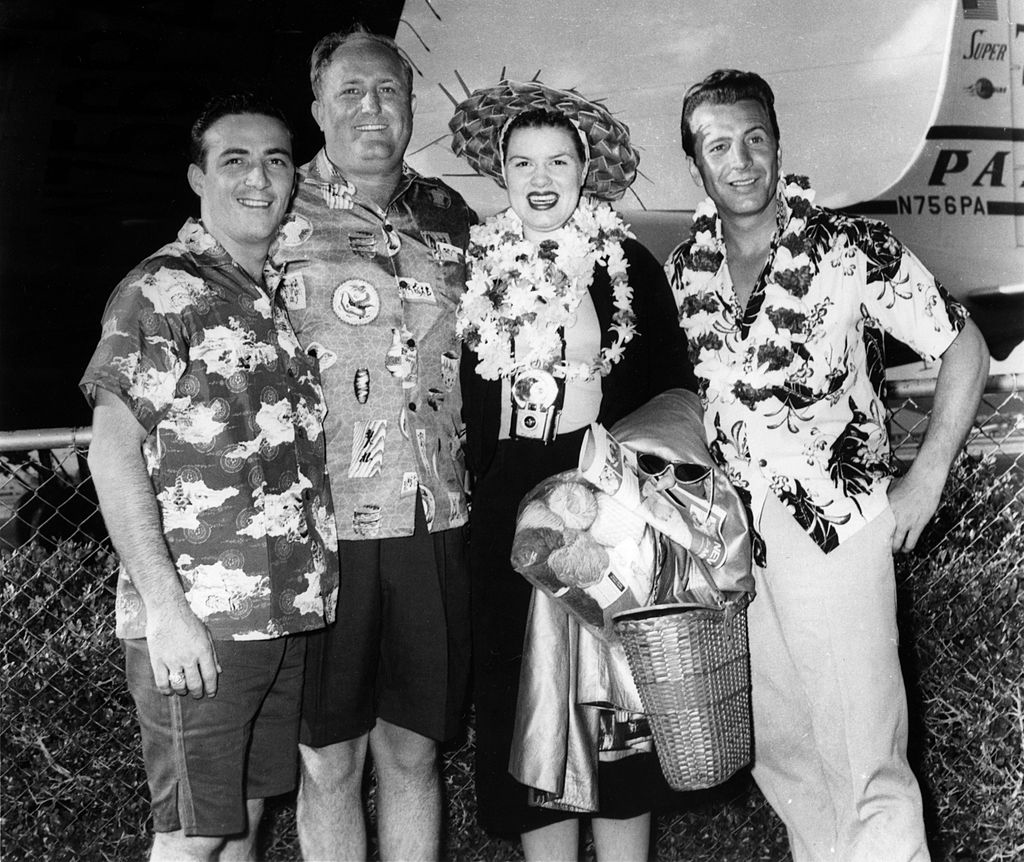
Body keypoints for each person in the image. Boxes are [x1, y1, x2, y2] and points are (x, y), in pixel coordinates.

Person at [669, 69, 991, 862]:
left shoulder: (849, 248)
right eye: (718, 145)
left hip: (836, 525)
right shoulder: (682, 272)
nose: (740, 161)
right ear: (696, 164)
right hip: (737, 545)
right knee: (786, 754)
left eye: (754, 139)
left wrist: (926, 478)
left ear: (778, 144)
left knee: (863, 754)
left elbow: (965, 348)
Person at [81, 93, 339, 862]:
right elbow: (111, 451)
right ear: (197, 177)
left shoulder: (266, 294)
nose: (258, 178)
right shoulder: (161, 290)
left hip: (281, 614)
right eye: (235, 160)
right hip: (202, 624)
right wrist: (166, 610)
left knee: (244, 821)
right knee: (190, 840)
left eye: (276, 161)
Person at [449, 82, 698, 861]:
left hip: (603, 496)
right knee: (527, 701)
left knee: (614, 705)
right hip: (505, 502)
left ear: (585, 169)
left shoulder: (624, 260)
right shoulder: (474, 264)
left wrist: (623, 478)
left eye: (559, 159)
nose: (541, 175)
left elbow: (674, 388)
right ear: (502, 173)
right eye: (522, 161)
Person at [269, 25, 474, 862]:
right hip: (324, 528)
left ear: (412, 102)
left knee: (415, 749)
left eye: (388, 90)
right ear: (318, 106)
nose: (371, 108)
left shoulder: (451, 215)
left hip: (436, 517)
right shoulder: (272, 210)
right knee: (328, 760)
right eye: (350, 92)